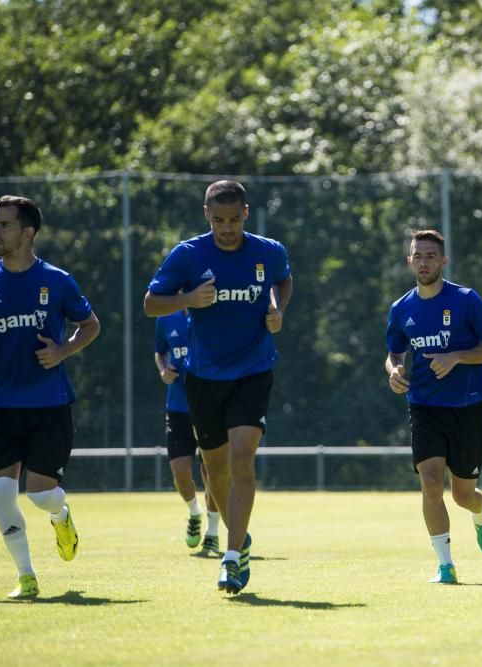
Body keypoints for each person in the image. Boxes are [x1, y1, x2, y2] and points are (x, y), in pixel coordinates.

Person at [143, 180, 292, 595]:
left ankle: (230, 558)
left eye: (234, 219)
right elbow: (151, 304)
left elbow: (283, 281)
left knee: (242, 459)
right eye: (218, 220)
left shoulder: (269, 251)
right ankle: (240, 540)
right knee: (215, 471)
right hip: (203, 377)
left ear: (246, 212)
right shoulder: (188, 255)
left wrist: (278, 310)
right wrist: (188, 298)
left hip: (254, 370)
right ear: (206, 215)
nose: (227, 228)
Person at [0, 195, 100, 599]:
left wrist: (63, 351)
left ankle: (61, 514)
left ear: (28, 232)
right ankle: (26, 576)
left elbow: (89, 325)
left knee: (40, 494)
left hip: (49, 404)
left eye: (4, 225)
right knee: (2, 492)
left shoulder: (56, 280)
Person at [384, 229, 482, 584]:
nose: (424, 262)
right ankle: (446, 565)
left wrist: (456, 357)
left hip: (468, 408)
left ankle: (480, 511)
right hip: (424, 406)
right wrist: (394, 370)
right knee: (431, 483)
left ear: (443, 261)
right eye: (417, 256)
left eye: (431, 256)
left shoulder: (466, 300)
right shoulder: (401, 308)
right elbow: (394, 352)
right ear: (409, 261)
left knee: (462, 494)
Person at [154, 308, 220, 554]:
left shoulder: (212, 314)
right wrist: (163, 370)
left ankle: (212, 531)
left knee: (212, 471)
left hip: (210, 406)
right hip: (178, 407)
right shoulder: (165, 317)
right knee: (180, 471)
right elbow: (160, 352)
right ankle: (194, 512)